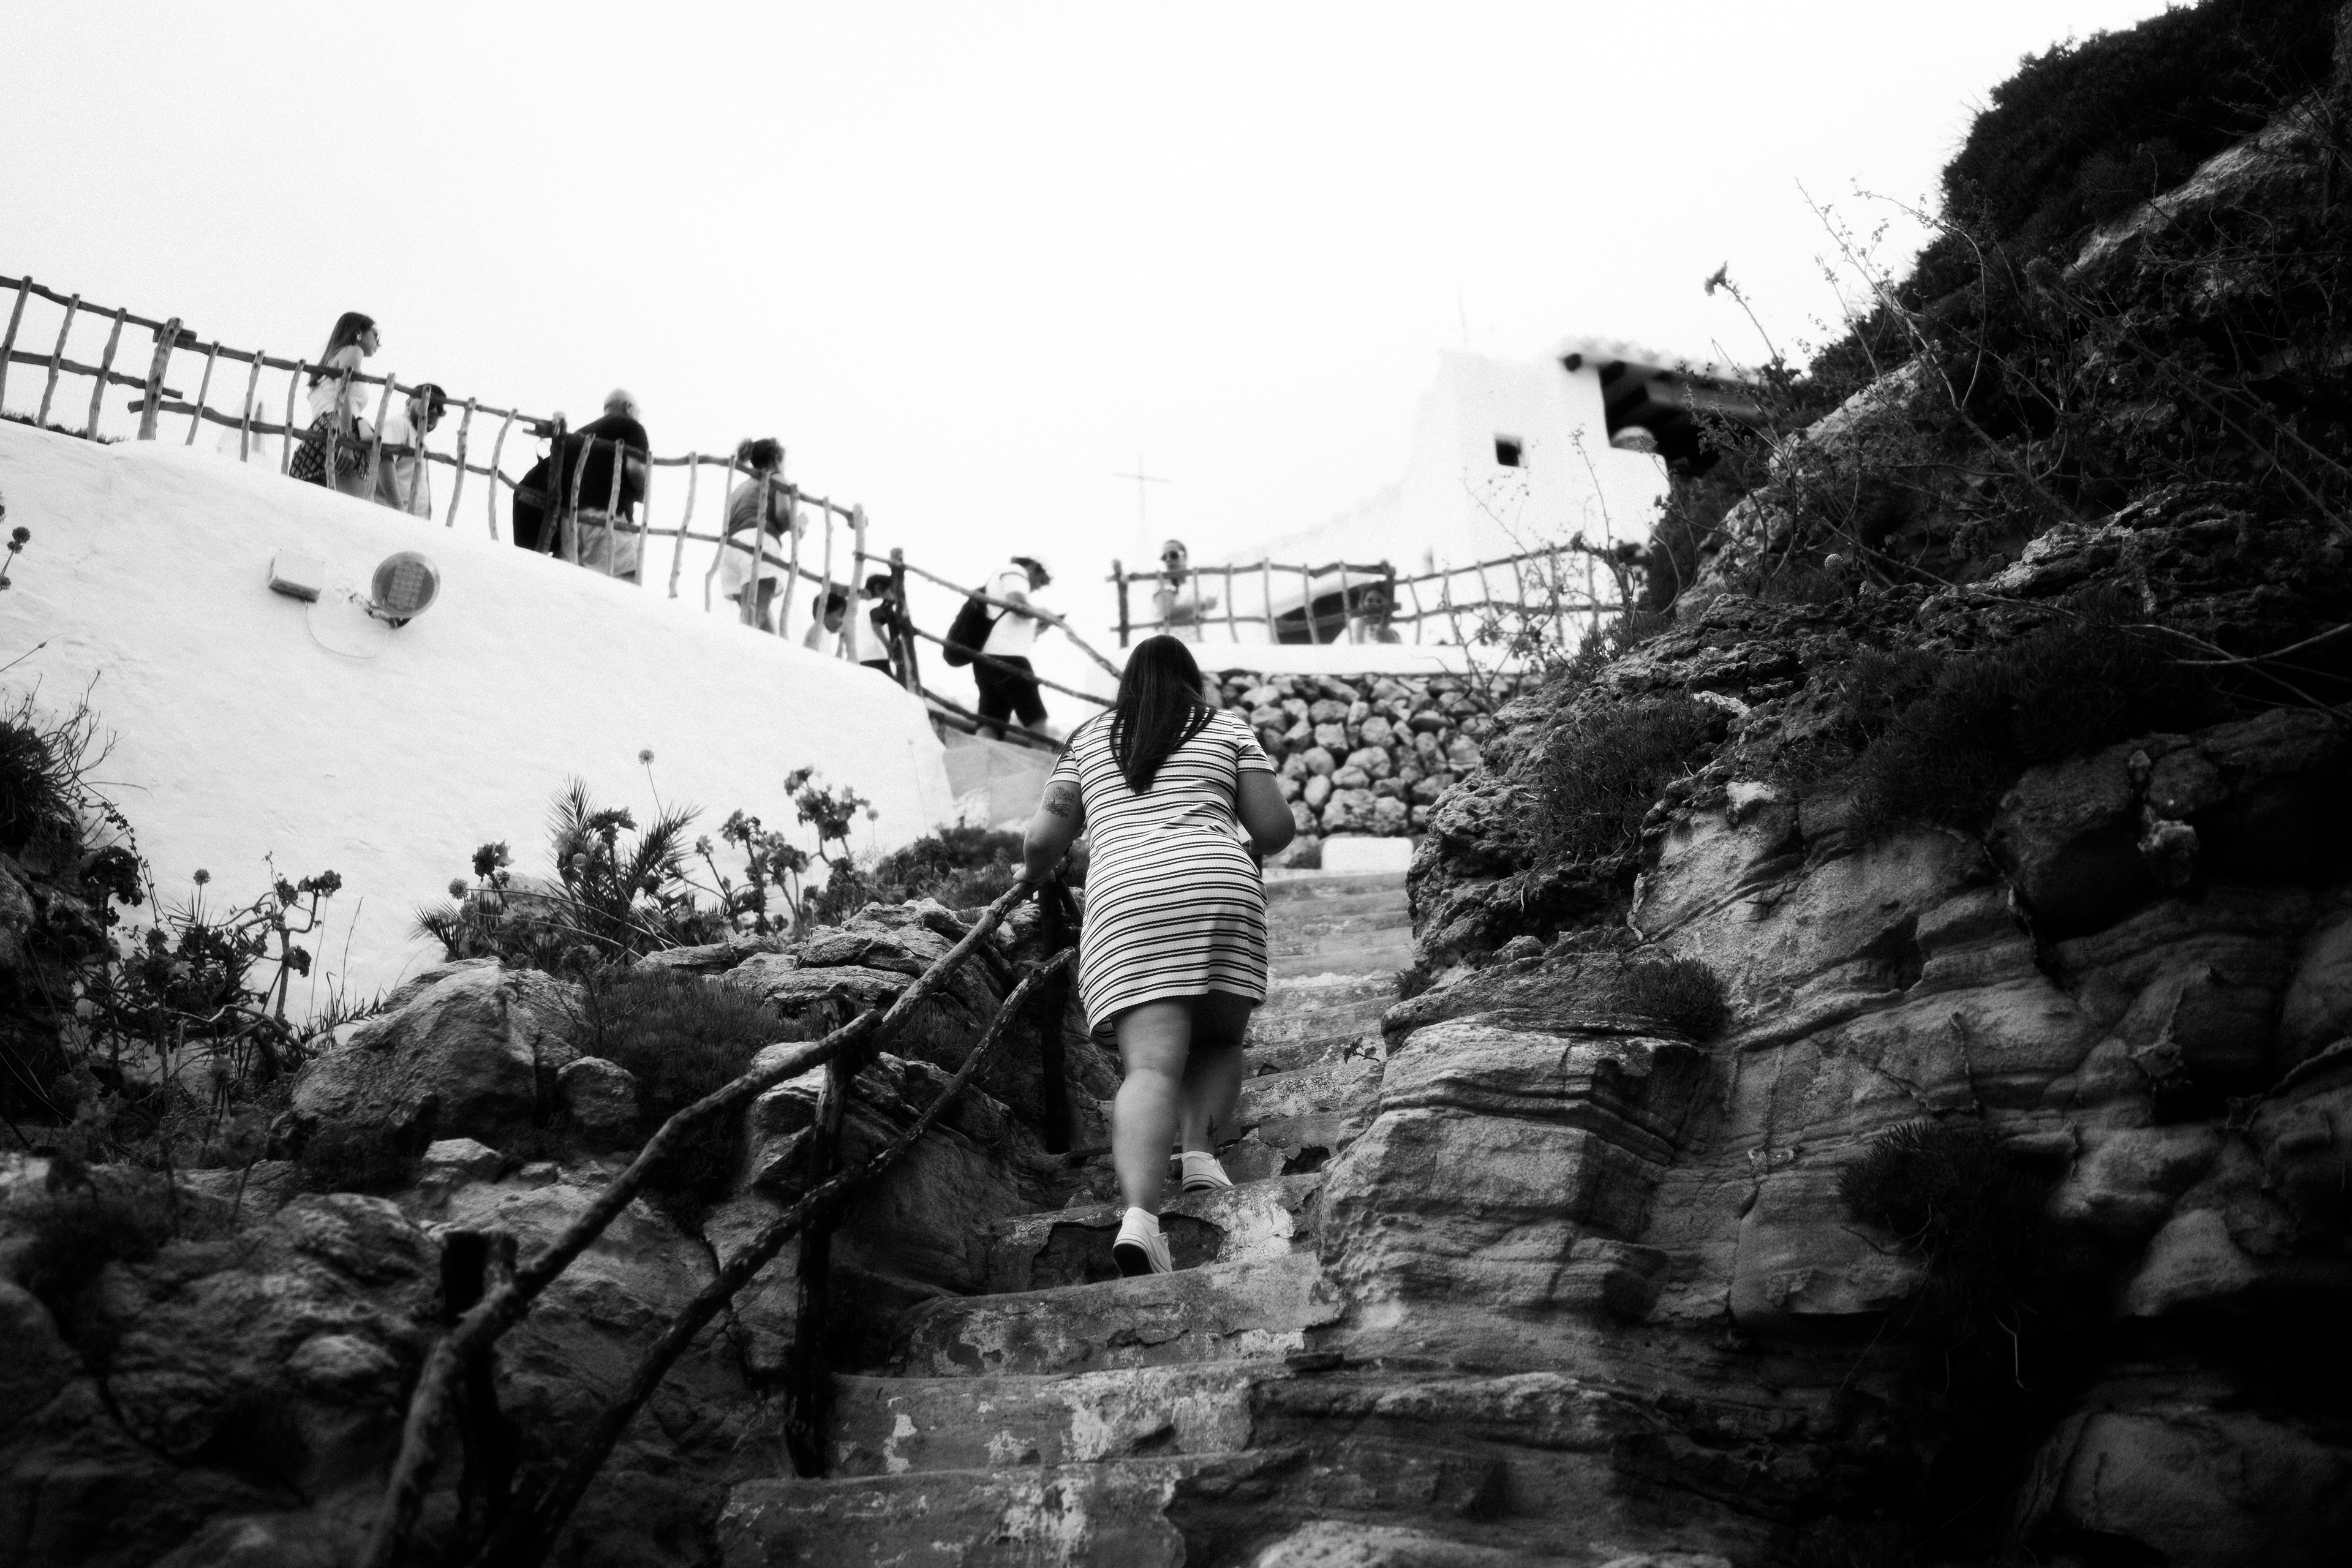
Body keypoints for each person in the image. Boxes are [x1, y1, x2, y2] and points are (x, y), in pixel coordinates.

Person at [1016, 635, 1295, 1276]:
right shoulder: (1226, 727)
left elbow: (1042, 840)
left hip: (1129, 898)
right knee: (1218, 1040)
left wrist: (1032, 874)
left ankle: (1141, 1220)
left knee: (1149, 1067)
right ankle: (1200, 1155)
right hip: (1218, 885)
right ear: (1192, 681)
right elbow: (1275, 830)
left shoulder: (1088, 738)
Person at [556, 390, 651, 579]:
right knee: (625, 582)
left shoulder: (578, 435)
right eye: (638, 412)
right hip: (607, 521)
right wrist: (643, 492)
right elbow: (635, 469)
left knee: (575, 587)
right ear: (628, 407)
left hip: (569, 523)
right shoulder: (632, 427)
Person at [288, 312, 380, 498]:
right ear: (359, 332)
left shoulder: (328, 362)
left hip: (316, 439)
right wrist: (346, 442)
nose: (379, 342)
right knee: (352, 509)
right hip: (340, 431)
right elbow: (342, 396)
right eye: (375, 334)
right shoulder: (354, 351)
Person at [719, 438, 796, 630]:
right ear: (777, 459)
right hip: (758, 544)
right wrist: (798, 525)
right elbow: (783, 516)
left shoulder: (741, 487)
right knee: (753, 620)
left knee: (759, 622)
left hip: (732, 548)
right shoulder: (777, 479)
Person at [976, 554, 1053, 739]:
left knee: (992, 721)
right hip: (1009, 658)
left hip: (988, 657)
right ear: (1033, 567)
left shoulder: (1001, 579)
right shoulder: (1016, 571)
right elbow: (1017, 604)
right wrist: (1042, 613)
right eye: (1040, 581)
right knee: (1036, 717)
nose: (1037, 588)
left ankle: (978, 756)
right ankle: (1046, 757)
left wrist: (1037, 629)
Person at [375, 382, 447, 518]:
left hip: (409, 521)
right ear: (408, 403)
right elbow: (384, 460)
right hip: (393, 517)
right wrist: (397, 507)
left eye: (440, 409)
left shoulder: (420, 442)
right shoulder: (400, 423)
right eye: (429, 403)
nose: (434, 411)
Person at [1149, 538, 1218, 637]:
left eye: (1174, 555)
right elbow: (1167, 612)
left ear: (1185, 557)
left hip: (1193, 641)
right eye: (1164, 557)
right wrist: (1203, 605)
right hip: (1169, 642)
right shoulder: (1163, 582)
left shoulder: (1194, 584)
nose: (1168, 560)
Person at [857, 571, 902, 678]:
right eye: (892, 590)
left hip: (862, 658)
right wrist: (889, 647)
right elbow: (876, 625)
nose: (895, 594)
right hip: (876, 658)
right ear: (878, 589)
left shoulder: (861, 607)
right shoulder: (879, 604)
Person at [802, 586, 849, 654]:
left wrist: (841, 643)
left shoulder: (825, 634)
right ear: (825, 613)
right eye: (841, 615)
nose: (842, 622)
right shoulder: (818, 630)